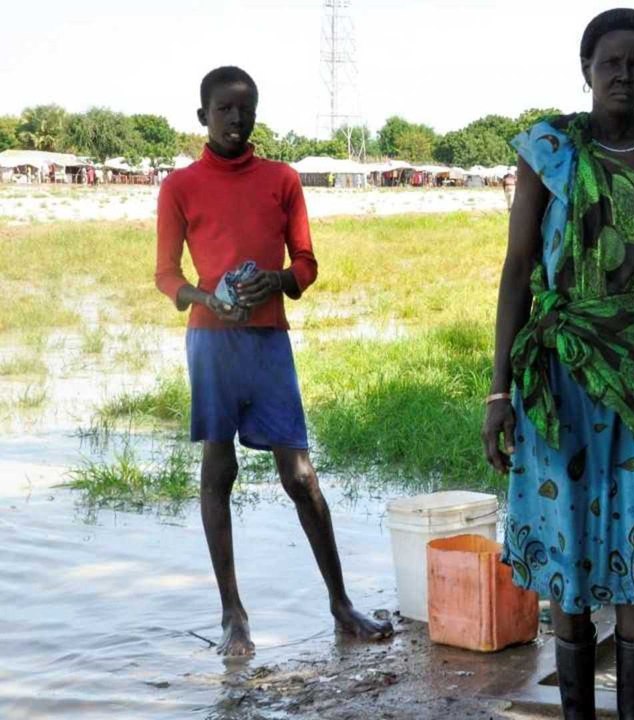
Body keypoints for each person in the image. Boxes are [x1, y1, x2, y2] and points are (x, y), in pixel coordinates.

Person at [481, 9, 634, 719]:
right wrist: (499, 392)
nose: (624, 74)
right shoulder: (550, 147)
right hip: (556, 375)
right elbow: (519, 268)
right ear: (586, 69)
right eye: (610, 62)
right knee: (569, 545)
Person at [154, 65, 393, 657]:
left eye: (246, 108)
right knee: (219, 472)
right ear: (202, 115)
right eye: (224, 109)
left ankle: (341, 605)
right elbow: (165, 276)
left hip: (267, 343)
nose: (236, 119)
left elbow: (307, 264)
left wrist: (279, 279)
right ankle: (233, 613)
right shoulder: (179, 186)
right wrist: (206, 298)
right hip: (211, 343)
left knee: (300, 476)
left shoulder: (282, 179)